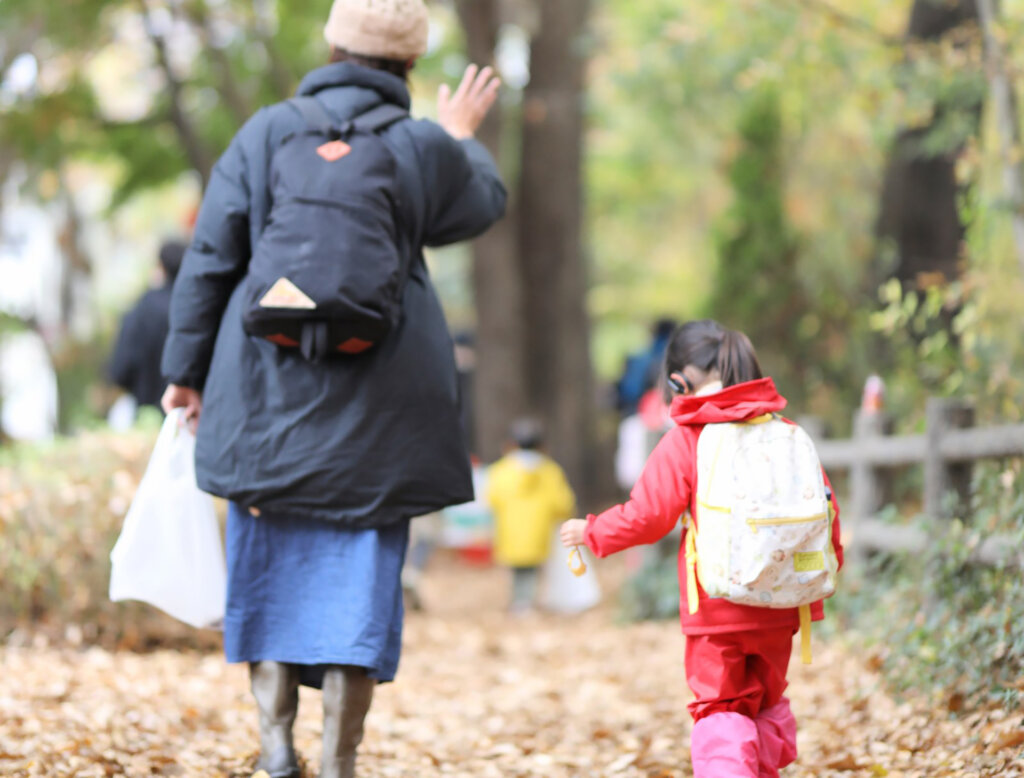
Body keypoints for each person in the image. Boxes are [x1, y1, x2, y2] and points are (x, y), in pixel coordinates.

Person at [159, 1, 507, 775]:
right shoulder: (420, 147)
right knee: (358, 578)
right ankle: (338, 755)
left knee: (270, 566)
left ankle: (276, 744)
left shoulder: (266, 132)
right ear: (410, 65)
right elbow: (484, 202)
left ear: (331, 44)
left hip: (264, 403)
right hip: (382, 414)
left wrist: (185, 375)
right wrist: (458, 138)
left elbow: (210, 258)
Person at [561, 319, 843, 778]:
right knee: (766, 701)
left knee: (721, 708)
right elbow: (825, 512)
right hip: (783, 605)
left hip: (716, 608)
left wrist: (591, 532)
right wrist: (817, 579)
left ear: (678, 379)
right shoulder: (786, 431)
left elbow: (648, 515)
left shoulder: (688, 438)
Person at [486, 418, 576, 613]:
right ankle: (526, 602)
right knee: (532, 569)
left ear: (512, 444)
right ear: (542, 445)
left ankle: (520, 600)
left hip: (510, 532)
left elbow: (492, 498)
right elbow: (564, 503)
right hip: (538, 532)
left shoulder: (501, 470)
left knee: (518, 569)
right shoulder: (550, 471)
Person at [108, 240, 185, 411]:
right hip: (187, 409)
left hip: (145, 407)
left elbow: (121, 368)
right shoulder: (193, 306)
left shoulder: (143, 308)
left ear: (161, 266)